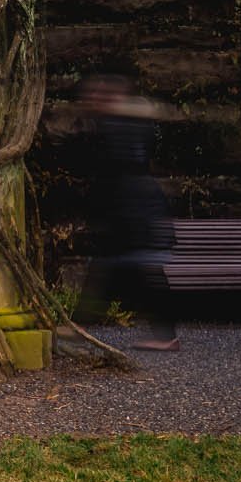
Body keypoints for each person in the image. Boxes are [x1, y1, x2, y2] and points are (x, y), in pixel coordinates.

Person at [69, 68, 180, 352]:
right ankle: (163, 334)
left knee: (119, 270)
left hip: (130, 211)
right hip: (137, 208)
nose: (92, 99)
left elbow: (111, 168)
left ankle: (81, 326)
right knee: (131, 271)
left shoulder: (115, 126)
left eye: (99, 94)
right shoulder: (133, 124)